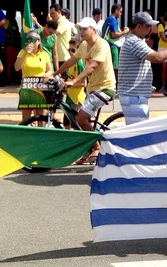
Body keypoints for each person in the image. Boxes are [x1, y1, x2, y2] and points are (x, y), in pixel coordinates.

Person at [48, 17, 116, 164]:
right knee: (79, 122)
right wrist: (54, 73)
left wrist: (74, 80)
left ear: (93, 29)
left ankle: (98, 146)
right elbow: (71, 61)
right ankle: (88, 151)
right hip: (92, 89)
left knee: (80, 119)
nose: (81, 31)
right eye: (80, 29)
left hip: (105, 88)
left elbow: (92, 66)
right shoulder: (84, 45)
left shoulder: (101, 44)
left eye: (85, 29)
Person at [117, 12, 167, 124]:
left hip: (135, 95)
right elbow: (158, 57)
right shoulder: (134, 42)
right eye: (148, 26)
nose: (151, 29)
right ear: (139, 26)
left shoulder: (137, 40)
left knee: (138, 132)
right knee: (137, 134)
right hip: (133, 95)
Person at [15, 31, 52, 123]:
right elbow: (17, 67)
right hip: (28, 86)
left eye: (34, 40)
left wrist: (47, 75)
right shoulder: (22, 52)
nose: (31, 43)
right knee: (26, 118)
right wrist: (26, 54)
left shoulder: (44, 54)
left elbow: (50, 70)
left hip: (40, 86)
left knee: (40, 117)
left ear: (39, 41)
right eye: (29, 40)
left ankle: (40, 134)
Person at [101, 4, 129, 81]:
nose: (121, 14)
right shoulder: (112, 19)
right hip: (112, 46)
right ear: (116, 10)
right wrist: (125, 32)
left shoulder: (110, 19)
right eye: (120, 11)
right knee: (114, 67)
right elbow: (114, 35)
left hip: (108, 45)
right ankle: (114, 84)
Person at [49, 4, 73, 70]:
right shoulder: (57, 23)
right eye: (50, 13)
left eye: (53, 13)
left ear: (59, 12)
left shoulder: (63, 22)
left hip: (63, 58)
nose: (51, 15)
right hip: (58, 57)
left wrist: (49, 22)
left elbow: (51, 34)